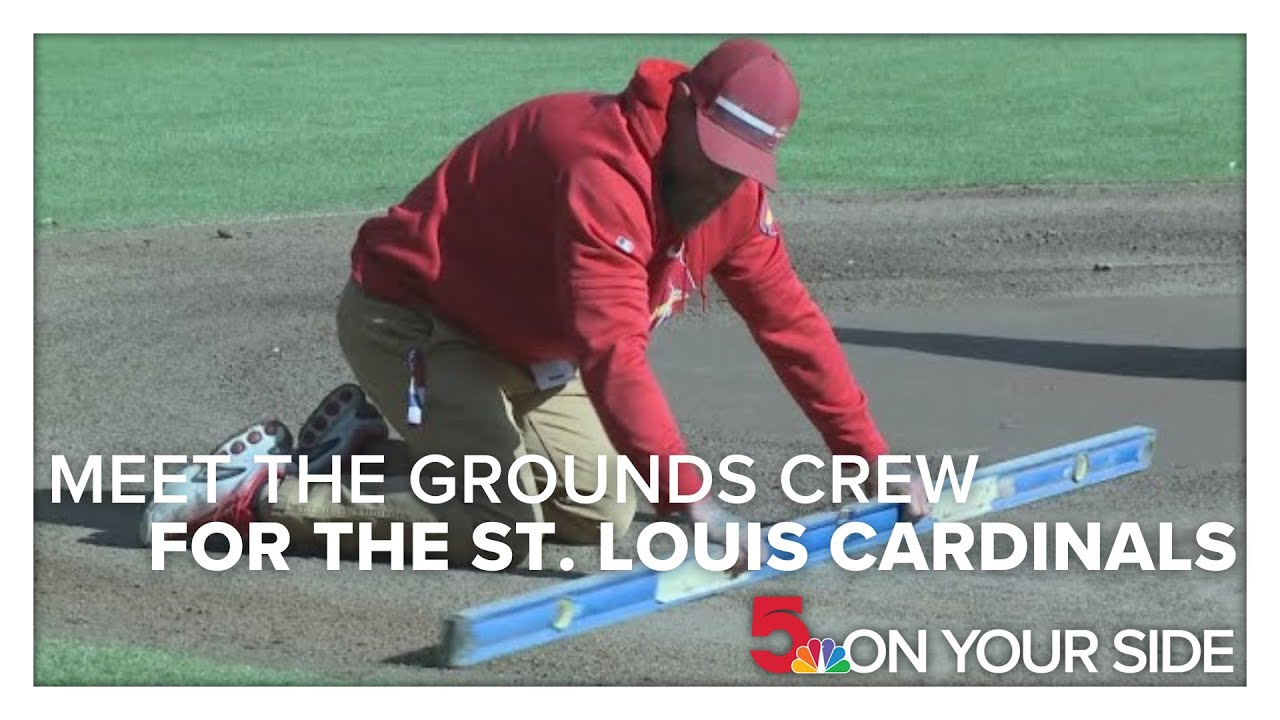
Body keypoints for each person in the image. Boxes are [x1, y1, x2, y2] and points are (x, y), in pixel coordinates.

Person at [140, 37, 932, 571]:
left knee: (601, 514)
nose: (723, 178)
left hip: (529, 355)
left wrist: (871, 457)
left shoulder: (732, 197)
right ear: (685, 108)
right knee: (504, 529)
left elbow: (788, 323)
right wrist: (689, 497)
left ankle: (374, 444)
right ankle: (261, 499)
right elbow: (615, 352)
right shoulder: (598, 167)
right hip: (415, 322)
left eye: (744, 164)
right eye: (718, 155)